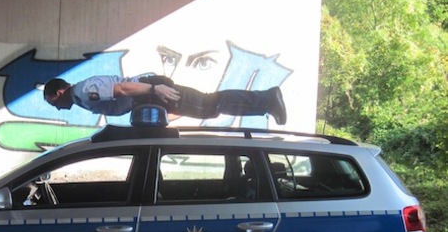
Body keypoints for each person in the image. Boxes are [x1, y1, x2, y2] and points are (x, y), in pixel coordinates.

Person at [43, 75, 287, 125]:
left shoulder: (83, 91)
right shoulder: (80, 96)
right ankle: (265, 103)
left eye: (55, 103)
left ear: (60, 91)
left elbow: (123, 89)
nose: (59, 109)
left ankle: (267, 99)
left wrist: (155, 88)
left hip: (154, 91)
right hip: (154, 96)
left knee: (211, 104)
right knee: (208, 109)